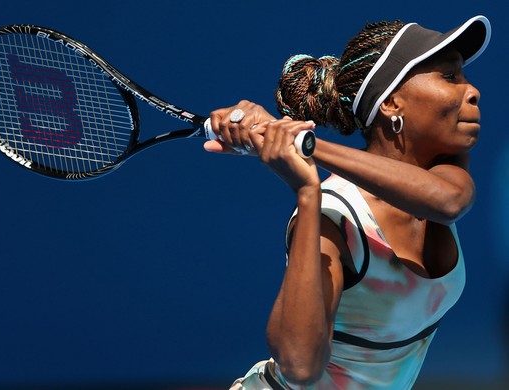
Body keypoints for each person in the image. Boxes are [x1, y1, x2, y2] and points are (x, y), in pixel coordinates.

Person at [205, 15, 492, 389]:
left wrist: (305, 145)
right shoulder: (335, 216)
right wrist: (307, 193)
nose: (473, 91)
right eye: (450, 76)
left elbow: (449, 201)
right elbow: (299, 368)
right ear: (391, 104)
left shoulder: (445, 173)